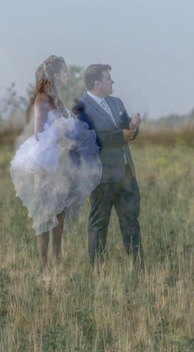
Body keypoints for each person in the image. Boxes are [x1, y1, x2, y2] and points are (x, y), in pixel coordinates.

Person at [10, 56, 102, 273]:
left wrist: (70, 138)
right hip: (45, 164)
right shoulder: (42, 99)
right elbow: (38, 132)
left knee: (60, 212)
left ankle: (56, 260)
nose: (68, 76)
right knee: (44, 214)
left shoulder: (57, 99)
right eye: (65, 72)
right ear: (56, 75)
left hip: (60, 163)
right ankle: (44, 267)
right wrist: (60, 134)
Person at [74, 64, 143, 265]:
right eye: (108, 79)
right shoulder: (81, 109)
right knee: (99, 224)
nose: (112, 82)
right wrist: (119, 135)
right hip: (101, 176)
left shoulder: (117, 102)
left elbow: (127, 131)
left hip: (125, 173)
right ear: (97, 83)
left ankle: (138, 266)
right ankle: (97, 271)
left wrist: (133, 127)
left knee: (131, 220)